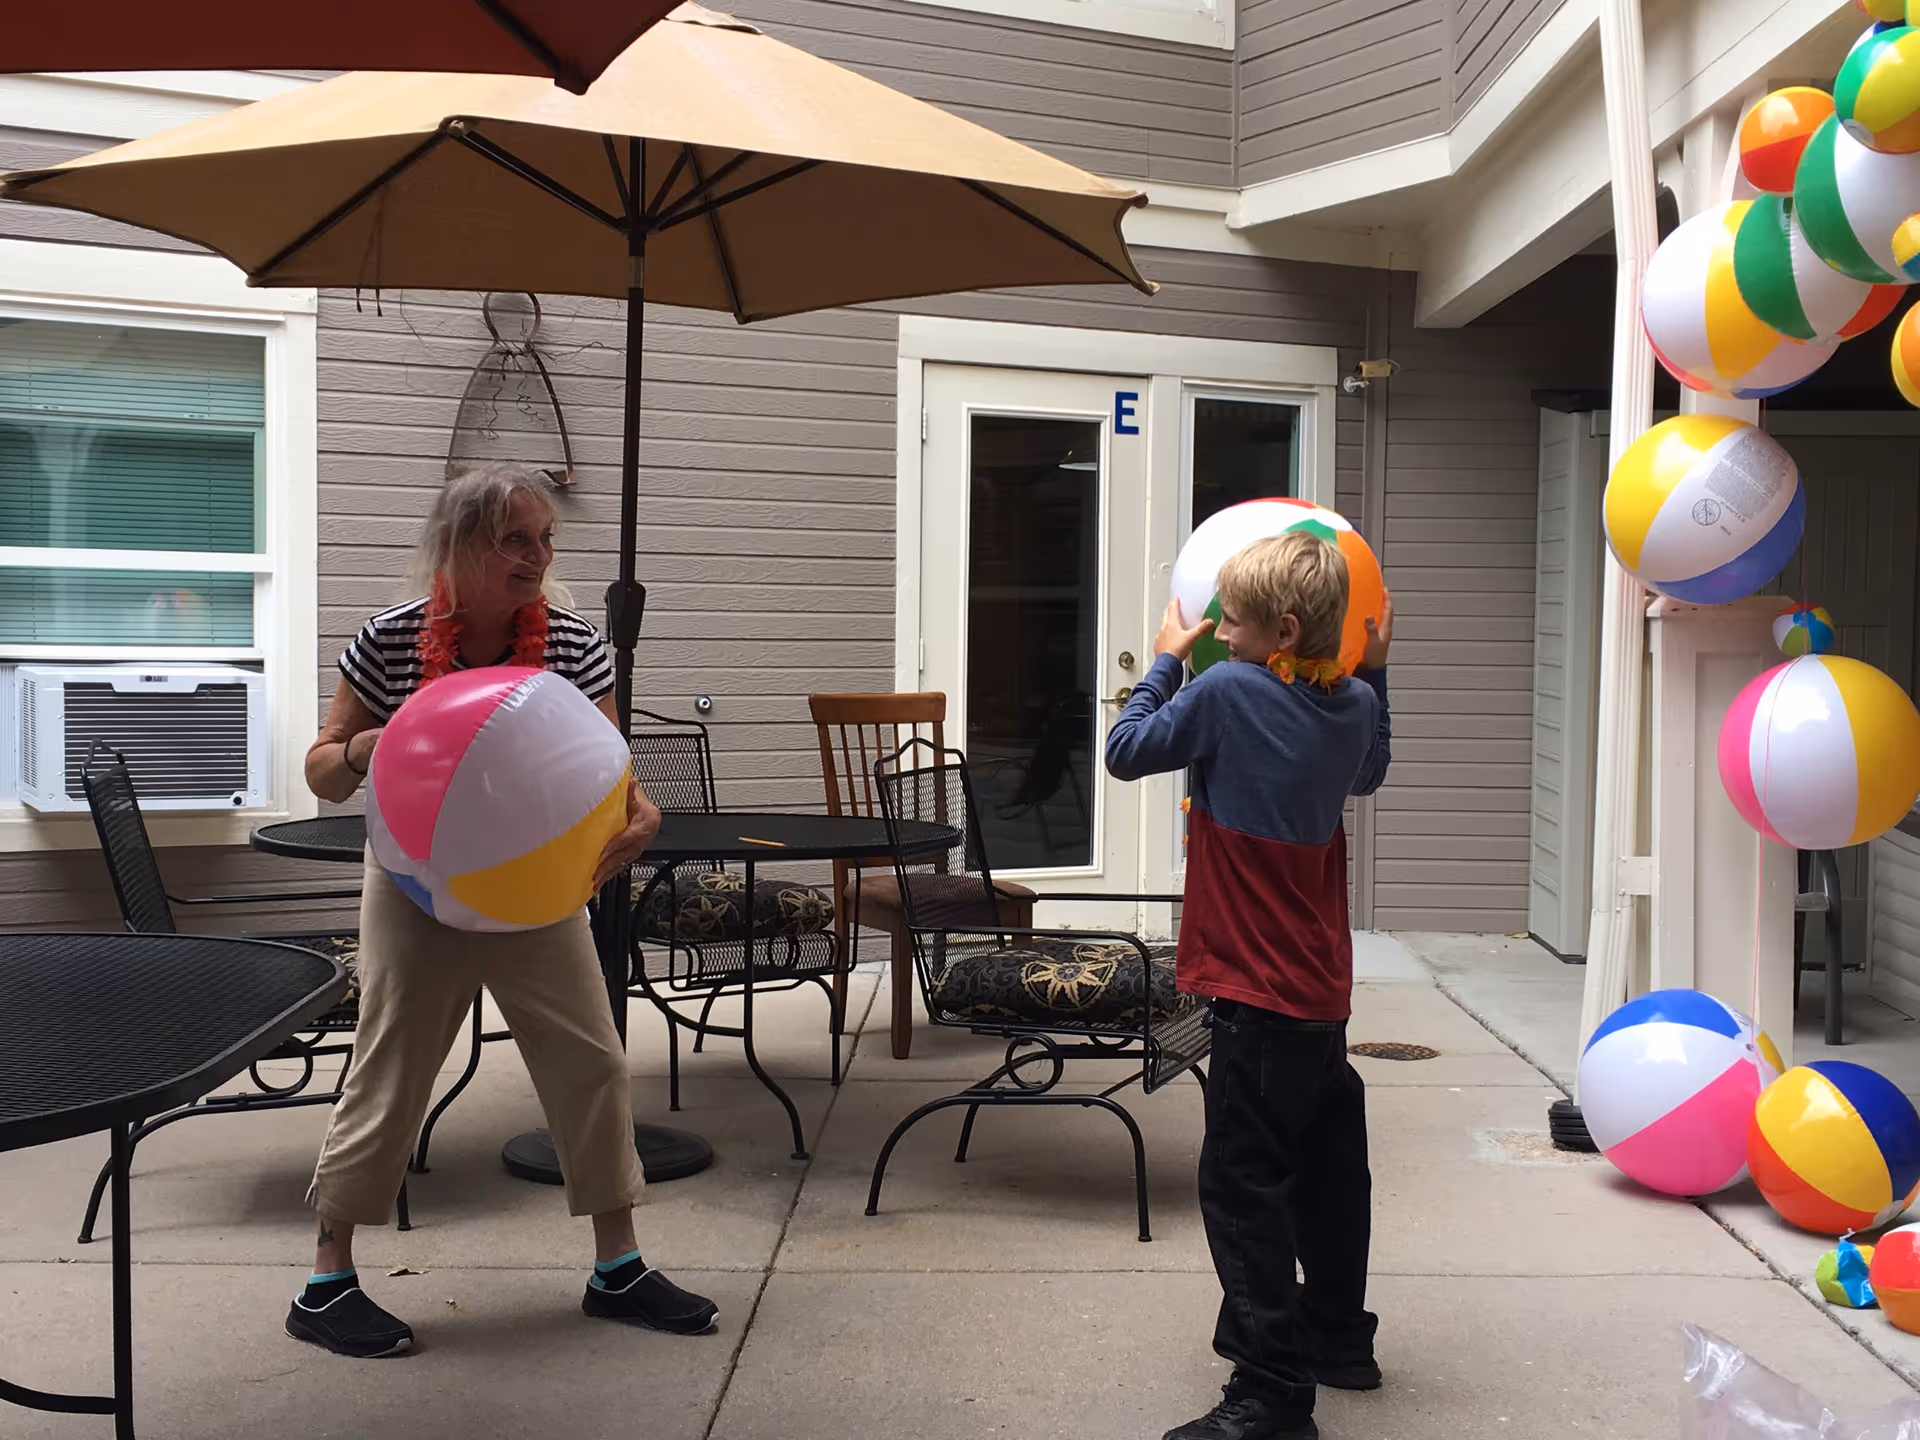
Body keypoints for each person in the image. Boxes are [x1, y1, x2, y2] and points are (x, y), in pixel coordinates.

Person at [286, 463, 718, 1358]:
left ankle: (618, 1268)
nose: (538, 555)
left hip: (536, 883)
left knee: (591, 1060)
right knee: (393, 1061)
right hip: (415, 882)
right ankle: (326, 1283)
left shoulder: (569, 643)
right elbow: (322, 772)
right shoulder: (392, 640)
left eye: (546, 537)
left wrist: (642, 813)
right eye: (516, 537)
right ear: (462, 543)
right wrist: (369, 743)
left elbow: (602, 768)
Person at [1105, 530, 1394, 1440]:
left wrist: (1164, 659)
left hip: (1253, 995)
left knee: (1242, 1188)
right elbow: (1374, 769)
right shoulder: (1349, 707)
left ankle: (1272, 1392)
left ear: (1284, 628)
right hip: (1318, 994)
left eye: (1231, 619)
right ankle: (1340, 1340)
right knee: (1330, 1174)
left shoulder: (1227, 690)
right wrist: (1376, 675)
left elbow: (1125, 749)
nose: (1220, 633)